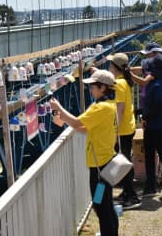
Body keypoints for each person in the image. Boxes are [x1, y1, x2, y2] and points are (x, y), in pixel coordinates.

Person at [50, 70, 118, 236]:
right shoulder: (109, 105)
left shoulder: (100, 108)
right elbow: (82, 126)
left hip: (100, 167)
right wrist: (64, 118)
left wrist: (59, 107)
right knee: (105, 204)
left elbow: (77, 122)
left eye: (93, 87)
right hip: (106, 161)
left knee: (101, 206)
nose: (90, 90)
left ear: (102, 88)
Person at [130, 42, 162, 201]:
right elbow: (142, 71)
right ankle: (150, 187)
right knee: (149, 156)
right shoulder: (154, 72)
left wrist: (144, 115)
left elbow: (157, 105)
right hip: (151, 124)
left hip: (157, 124)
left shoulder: (157, 82)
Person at [106, 53, 141, 209]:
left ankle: (132, 197)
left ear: (115, 67)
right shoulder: (125, 81)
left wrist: (114, 133)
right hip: (128, 126)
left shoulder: (118, 84)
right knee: (124, 161)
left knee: (122, 163)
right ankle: (127, 192)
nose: (108, 67)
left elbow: (119, 109)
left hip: (122, 130)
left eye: (110, 65)